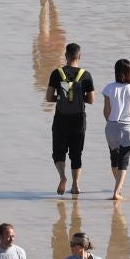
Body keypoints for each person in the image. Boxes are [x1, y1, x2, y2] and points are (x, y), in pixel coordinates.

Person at [47, 42, 94, 194]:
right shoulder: (85, 75)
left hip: (61, 118)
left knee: (58, 152)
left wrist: (61, 99)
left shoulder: (56, 73)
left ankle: (62, 176)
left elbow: (49, 97)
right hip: (79, 120)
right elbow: (91, 100)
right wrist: (78, 100)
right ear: (79, 57)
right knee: (76, 154)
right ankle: (75, 186)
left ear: (65, 56)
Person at [102, 59, 130, 200]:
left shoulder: (109, 88)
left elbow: (106, 110)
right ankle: (117, 192)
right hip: (128, 126)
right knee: (124, 159)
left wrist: (110, 122)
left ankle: (118, 186)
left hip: (112, 125)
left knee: (114, 158)